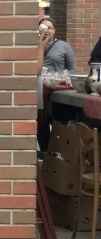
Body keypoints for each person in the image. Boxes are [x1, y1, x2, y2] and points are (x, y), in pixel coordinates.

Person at [37, 16, 75, 152]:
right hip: (41, 89)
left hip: (58, 89)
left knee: (57, 121)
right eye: (43, 27)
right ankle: (45, 152)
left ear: (55, 30)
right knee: (42, 124)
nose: (47, 31)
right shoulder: (34, 46)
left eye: (50, 28)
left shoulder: (63, 46)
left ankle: (57, 153)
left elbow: (72, 69)